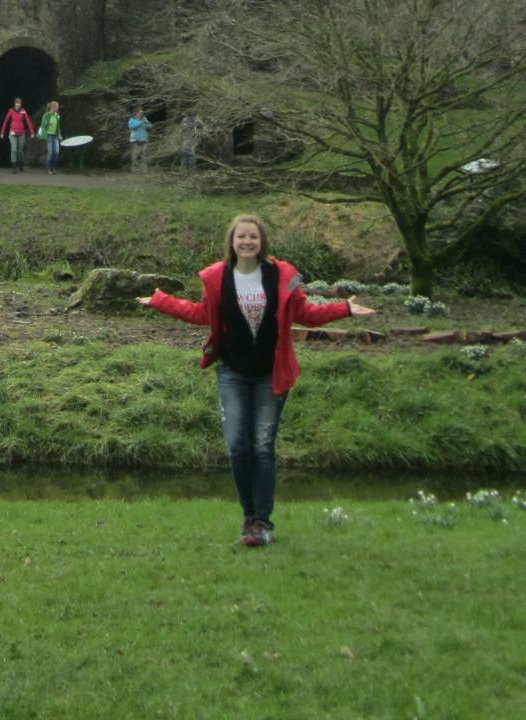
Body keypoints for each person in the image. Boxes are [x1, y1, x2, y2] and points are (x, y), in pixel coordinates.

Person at [136, 213, 377, 547]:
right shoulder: (217, 277)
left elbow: (305, 313)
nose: (247, 242)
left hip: (270, 374)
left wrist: (344, 309)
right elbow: (202, 313)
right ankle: (249, 517)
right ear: (231, 242)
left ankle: (262, 522)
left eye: (253, 237)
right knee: (238, 447)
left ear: (262, 242)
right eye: (241, 237)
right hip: (233, 373)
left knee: (262, 448)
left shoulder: (283, 276)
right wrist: (161, 302)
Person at [0, 97, 35, 173]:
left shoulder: (23, 111)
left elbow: (28, 121)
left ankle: (21, 164)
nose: (18, 104)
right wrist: (2, 132)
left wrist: (32, 132)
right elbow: (5, 122)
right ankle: (14, 167)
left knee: (20, 151)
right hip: (12, 133)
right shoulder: (11, 111)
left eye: (19, 103)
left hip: (21, 133)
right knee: (14, 150)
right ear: (14, 103)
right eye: (16, 103)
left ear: (21, 104)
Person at [37, 100, 63, 175]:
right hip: (48, 135)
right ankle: (48, 169)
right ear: (53, 107)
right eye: (57, 106)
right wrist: (48, 123)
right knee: (50, 153)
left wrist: (60, 134)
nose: (58, 108)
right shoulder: (46, 115)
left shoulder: (57, 115)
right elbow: (43, 125)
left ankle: (53, 168)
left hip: (55, 136)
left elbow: (58, 127)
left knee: (56, 152)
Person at [127, 108, 152, 172]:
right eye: (140, 113)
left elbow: (150, 127)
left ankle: (143, 169)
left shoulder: (144, 119)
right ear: (136, 113)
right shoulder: (132, 120)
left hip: (144, 139)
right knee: (135, 154)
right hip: (135, 139)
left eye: (142, 113)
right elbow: (131, 127)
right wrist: (141, 122)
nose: (141, 114)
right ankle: (135, 169)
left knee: (144, 153)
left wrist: (147, 122)